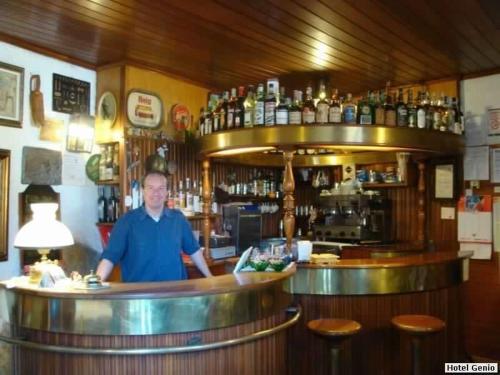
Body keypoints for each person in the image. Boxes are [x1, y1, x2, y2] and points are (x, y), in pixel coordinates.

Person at [96, 171, 212, 282]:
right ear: (143, 191)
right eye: (151, 188)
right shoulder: (126, 221)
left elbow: (194, 251)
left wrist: (210, 278)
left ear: (167, 192)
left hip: (175, 293)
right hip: (139, 296)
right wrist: (96, 283)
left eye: (161, 188)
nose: (156, 193)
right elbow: (109, 258)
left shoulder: (178, 219)